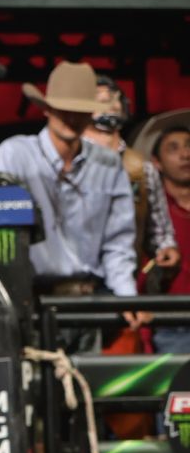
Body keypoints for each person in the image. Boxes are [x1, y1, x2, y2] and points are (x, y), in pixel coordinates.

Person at [0, 62, 141, 326]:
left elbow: (118, 242)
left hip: (89, 301)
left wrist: (126, 297)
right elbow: (3, 235)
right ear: (47, 109)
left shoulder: (108, 164)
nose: (72, 118)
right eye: (64, 110)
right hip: (31, 301)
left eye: (80, 111)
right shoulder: (15, 154)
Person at [82, 78, 173, 302]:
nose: (110, 105)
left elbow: (159, 230)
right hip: (74, 281)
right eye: (101, 100)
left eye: (115, 100)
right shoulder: (70, 160)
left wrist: (166, 249)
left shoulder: (140, 168)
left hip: (122, 280)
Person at [135, 108, 190, 355]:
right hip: (170, 325)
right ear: (156, 162)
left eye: (189, 145)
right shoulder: (148, 210)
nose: (185, 154)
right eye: (173, 148)